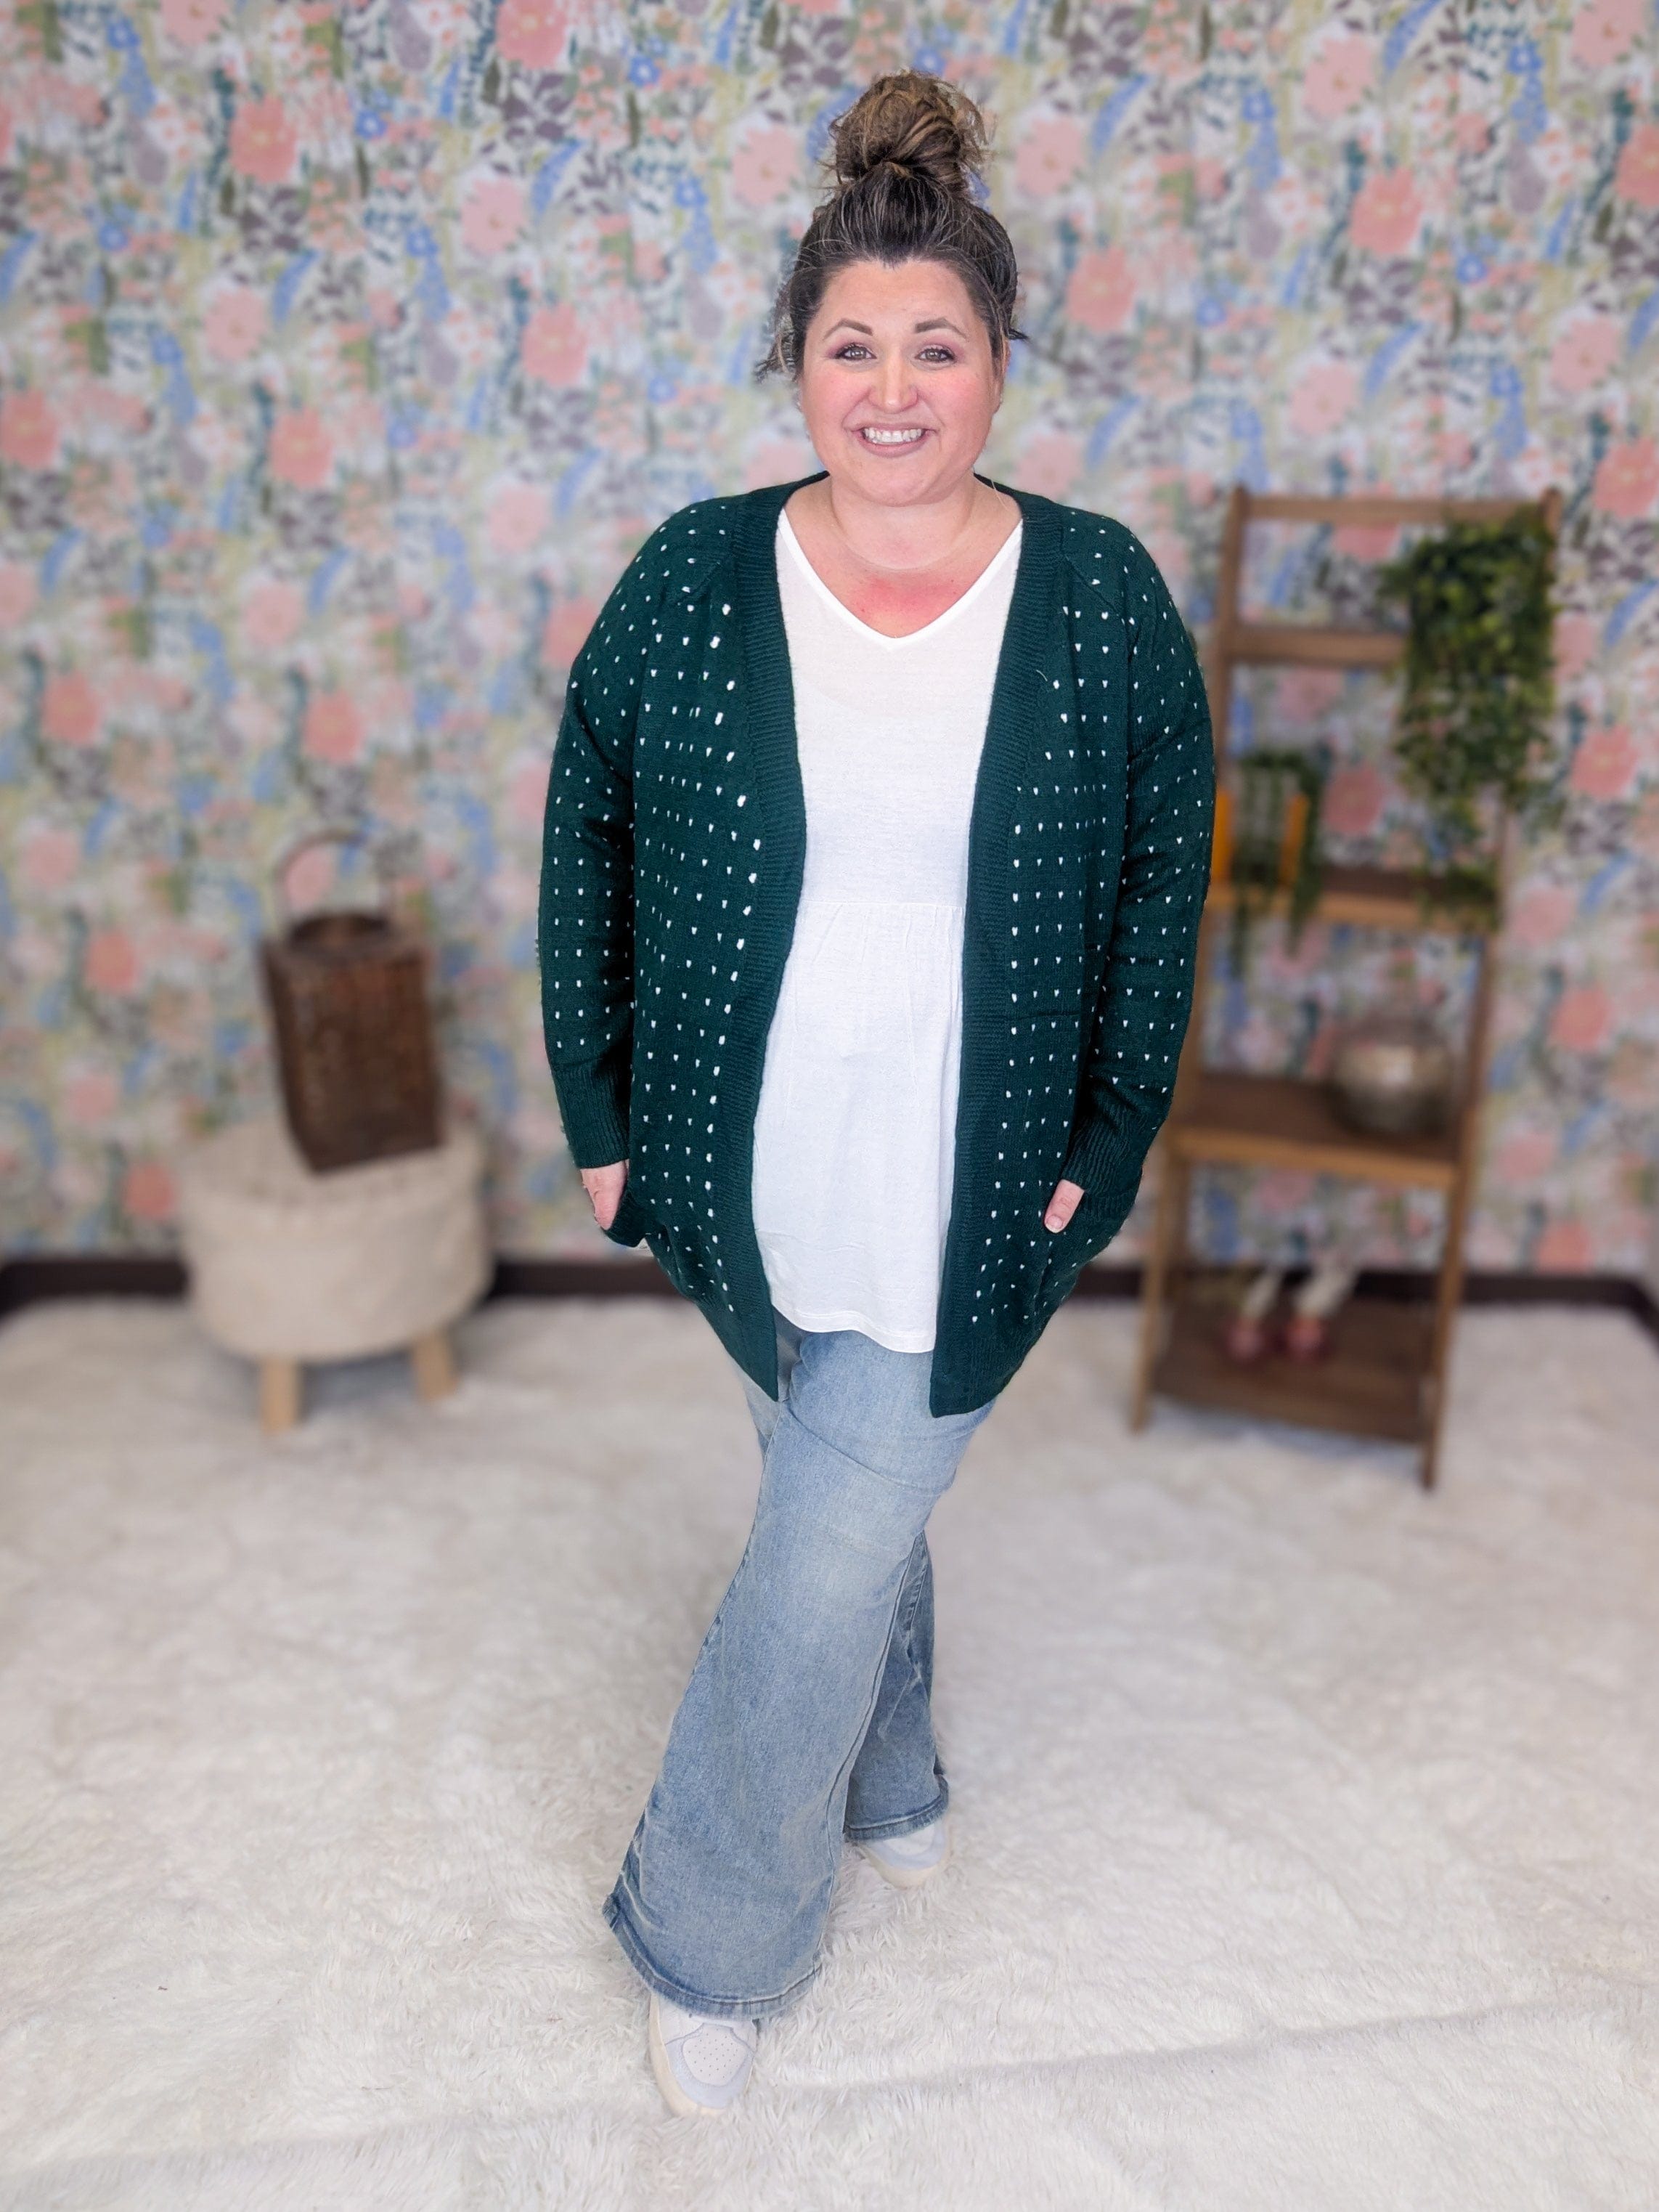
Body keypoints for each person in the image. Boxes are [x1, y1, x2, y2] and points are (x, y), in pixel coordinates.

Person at [537, 70, 1214, 2117]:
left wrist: (1109, 1136)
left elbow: (1159, 879)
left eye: (937, 345)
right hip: (746, 1164)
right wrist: (601, 1114)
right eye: (854, 347)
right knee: (836, 1503)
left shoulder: (1099, 595)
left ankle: (715, 1935)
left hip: (967, 1172)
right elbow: (589, 835)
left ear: (998, 361)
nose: (894, 390)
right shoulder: (693, 573)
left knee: (822, 1551)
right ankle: (894, 1771)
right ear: (799, 363)